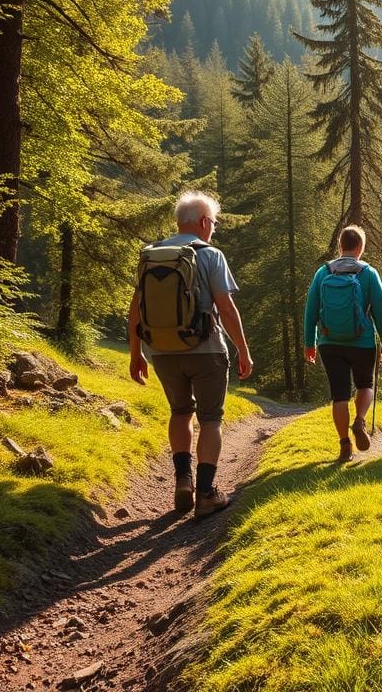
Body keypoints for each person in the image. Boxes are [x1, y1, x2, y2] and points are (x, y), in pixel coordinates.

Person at [128, 191, 253, 519]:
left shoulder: (152, 254)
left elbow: (135, 312)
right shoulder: (210, 255)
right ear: (203, 222)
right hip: (206, 348)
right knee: (211, 418)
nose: (213, 228)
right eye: (213, 222)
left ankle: (182, 480)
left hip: (162, 352)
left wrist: (136, 354)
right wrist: (243, 350)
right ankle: (206, 494)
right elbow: (226, 308)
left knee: (180, 412)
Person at [303, 225, 382, 462]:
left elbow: (311, 310)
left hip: (329, 343)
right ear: (360, 247)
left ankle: (344, 445)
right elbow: (381, 312)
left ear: (340, 245)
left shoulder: (323, 273)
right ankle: (360, 421)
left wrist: (309, 343)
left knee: (339, 396)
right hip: (362, 342)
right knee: (365, 386)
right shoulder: (369, 274)